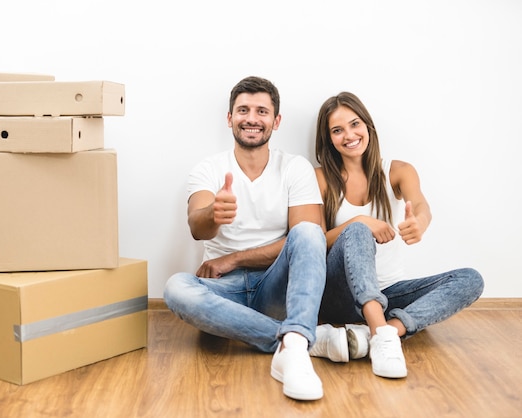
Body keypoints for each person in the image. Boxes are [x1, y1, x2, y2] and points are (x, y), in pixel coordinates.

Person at [164, 76, 346, 401]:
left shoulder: (295, 168)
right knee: (176, 287)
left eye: (261, 111)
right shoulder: (209, 169)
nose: (251, 118)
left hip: (275, 284)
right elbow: (197, 227)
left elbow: (308, 237)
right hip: (225, 291)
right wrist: (213, 214)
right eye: (243, 110)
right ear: (230, 118)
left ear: (276, 121)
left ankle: (293, 345)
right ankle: (297, 342)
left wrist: (234, 257)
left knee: (308, 231)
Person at [312, 91, 484, 379]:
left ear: (368, 126)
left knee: (471, 279)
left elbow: (420, 205)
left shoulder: (398, 171)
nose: (349, 135)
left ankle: (381, 335)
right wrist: (360, 220)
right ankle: (382, 334)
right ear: (329, 139)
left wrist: (420, 221)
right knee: (357, 230)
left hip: (388, 292)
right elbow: (314, 241)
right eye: (337, 130)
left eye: (355, 124)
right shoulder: (321, 178)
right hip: (338, 296)